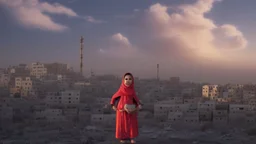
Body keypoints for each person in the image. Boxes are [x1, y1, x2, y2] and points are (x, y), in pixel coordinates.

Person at [110, 73, 142, 144]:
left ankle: (131, 137)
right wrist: (113, 106)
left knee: (131, 124)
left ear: (132, 80)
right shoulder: (121, 90)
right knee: (122, 124)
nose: (128, 81)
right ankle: (123, 137)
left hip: (131, 110)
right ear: (123, 80)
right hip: (122, 110)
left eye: (130, 79)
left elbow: (136, 99)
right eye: (126, 79)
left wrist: (138, 105)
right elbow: (114, 98)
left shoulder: (132, 90)